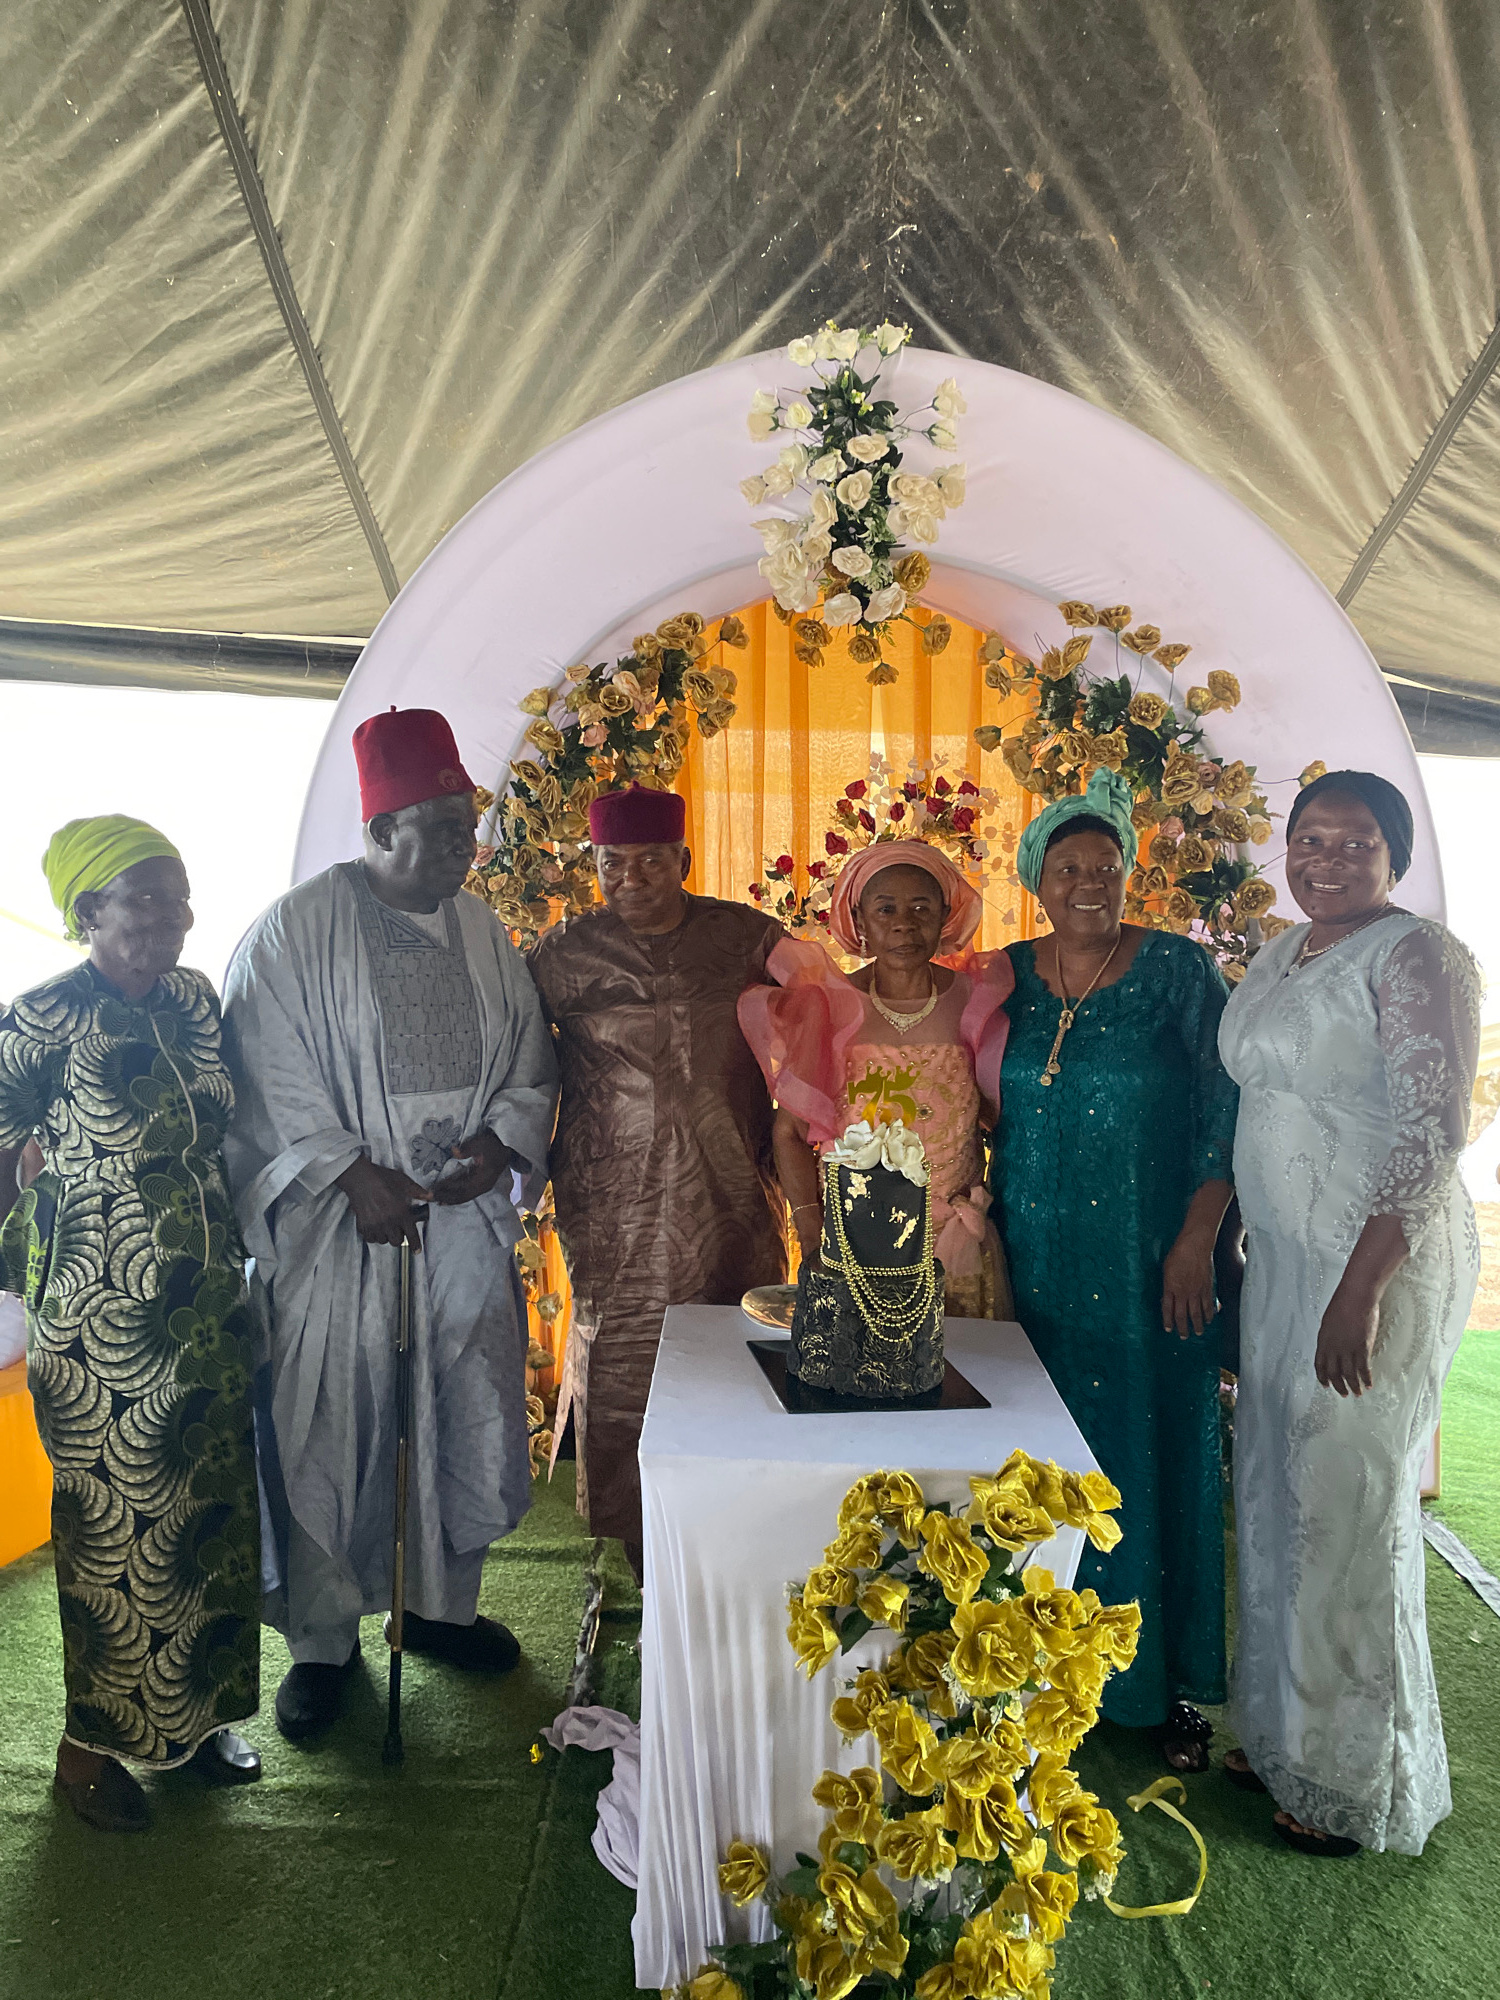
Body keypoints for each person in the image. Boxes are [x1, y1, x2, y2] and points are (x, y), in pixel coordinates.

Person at [221, 709, 556, 1741]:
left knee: (461, 1405)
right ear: (379, 831)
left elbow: (529, 1062)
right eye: (445, 829)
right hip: (340, 1234)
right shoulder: (293, 932)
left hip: (455, 1227)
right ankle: (323, 1645)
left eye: (468, 827)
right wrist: (347, 1170)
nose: (467, 847)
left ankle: (437, 1609)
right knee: (335, 1422)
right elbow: (264, 1074)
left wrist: (499, 1143)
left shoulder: (483, 930)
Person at [1219, 769, 1481, 1857]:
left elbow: (1434, 1131)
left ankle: (1347, 1777)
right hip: (1283, 1264)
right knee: (1277, 1489)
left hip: (1374, 1267)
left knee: (1346, 1501)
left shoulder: (1418, 954)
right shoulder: (1285, 949)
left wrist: (1361, 1289)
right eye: (1310, 838)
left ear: (1396, 856)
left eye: (1356, 841)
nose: (1327, 859)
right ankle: (1282, 1731)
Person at [0, 817, 261, 1831]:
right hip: (99, 1320)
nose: (167, 917)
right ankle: (87, 1753)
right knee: (115, 1536)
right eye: (142, 898)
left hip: (207, 1305)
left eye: (177, 897)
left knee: (208, 1517)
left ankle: (195, 1722)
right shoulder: (39, 1018)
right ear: (87, 912)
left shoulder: (196, 1000)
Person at [989, 766, 1238, 1769]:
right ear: (1035, 879)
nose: (1089, 882)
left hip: (1150, 1263)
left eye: (1107, 865)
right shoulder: (1003, 976)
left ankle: (1158, 1682)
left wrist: (1198, 1236)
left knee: (1149, 1450)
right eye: (1069, 867)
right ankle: (1030, 1667)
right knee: (1037, 1455)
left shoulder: (1179, 972)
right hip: (1031, 1265)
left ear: (1130, 872)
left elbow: (1225, 1105)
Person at [528, 784, 786, 1575]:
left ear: (684, 859)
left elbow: (825, 1020)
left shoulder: (747, 937)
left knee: (737, 1345)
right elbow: (512, 1060)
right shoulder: (563, 954)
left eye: (649, 861)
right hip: (614, 1197)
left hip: (730, 1189)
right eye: (613, 863)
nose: (630, 879)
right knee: (623, 1358)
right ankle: (634, 1555)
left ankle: (737, 1537)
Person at [738, 839, 1014, 1316]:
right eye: (885, 909)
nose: (904, 923)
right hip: (854, 1248)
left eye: (921, 907)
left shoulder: (979, 998)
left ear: (945, 915)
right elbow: (789, 1133)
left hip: (956, 1248)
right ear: (860, 921)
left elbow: (999, 1114)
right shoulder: (827, 1005)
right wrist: (812, 1234)